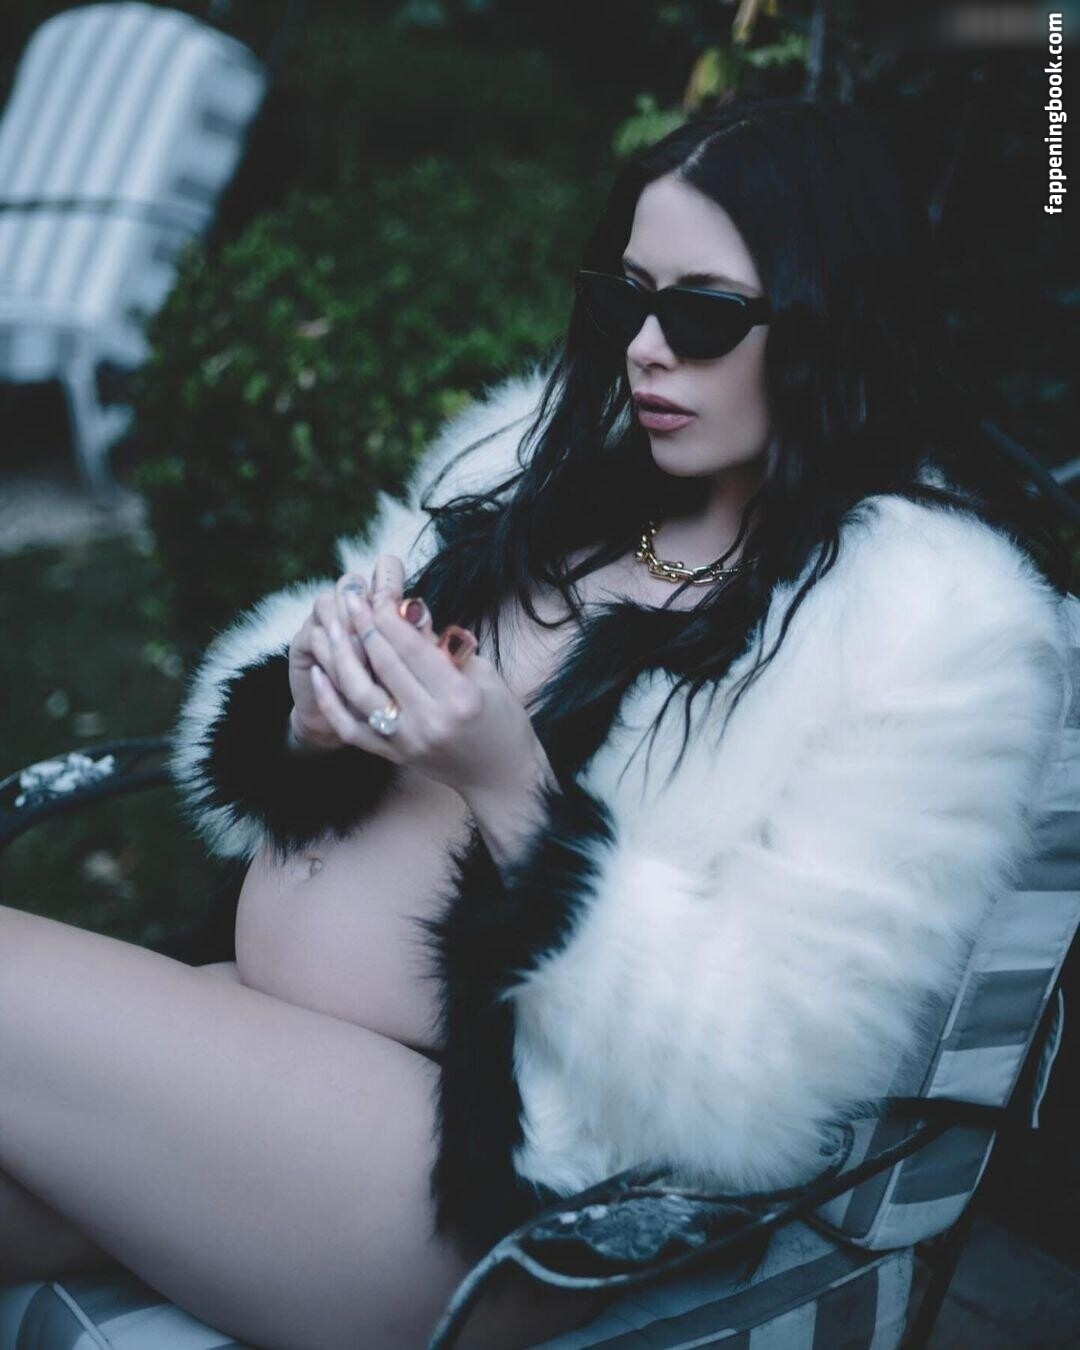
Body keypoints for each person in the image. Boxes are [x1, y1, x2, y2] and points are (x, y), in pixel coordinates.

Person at [0, 94, 1073, 1350]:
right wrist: (309, 711)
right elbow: (267, 711)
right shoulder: (543, 465)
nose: (647, 350)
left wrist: (516, 792)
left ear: (833, 316)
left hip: (496, 1186)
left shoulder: (921, 620)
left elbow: (768, 1069)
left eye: (706, 314)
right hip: (282, 1050)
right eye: (627, 300)